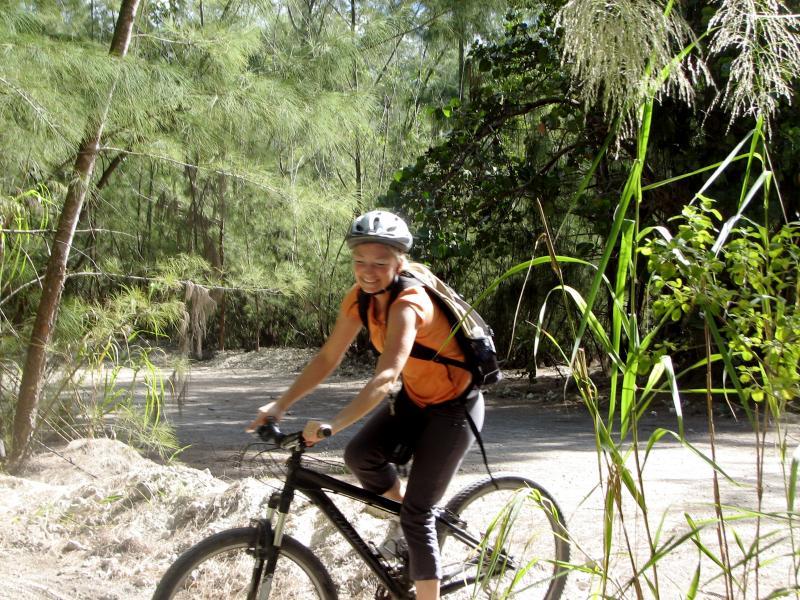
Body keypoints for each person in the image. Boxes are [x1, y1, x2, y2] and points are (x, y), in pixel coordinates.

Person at [247, 210, 484, 600]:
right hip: (416, 399)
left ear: (399, 262)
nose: (367, 271)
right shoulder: (360, 298)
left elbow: (387, 376)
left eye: (379, 263)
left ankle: (415, 541)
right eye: (359, 261)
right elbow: (328, 358)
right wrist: (281, 403)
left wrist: (332, 425)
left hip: (455, 408)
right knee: (360, 456)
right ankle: (404, 525)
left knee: (418, 516)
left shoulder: (410, 303)